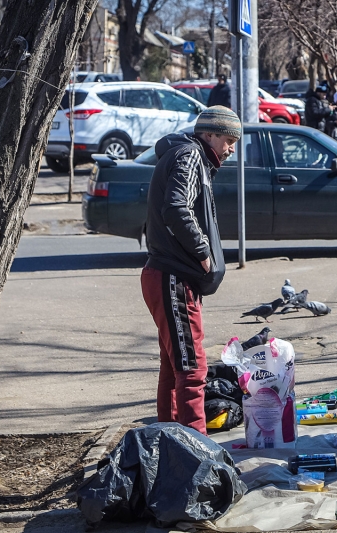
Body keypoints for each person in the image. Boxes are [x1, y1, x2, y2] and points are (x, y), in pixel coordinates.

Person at [141, 106, 240, 436]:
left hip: (166, 275)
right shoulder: (190, 155)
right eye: (228, 140)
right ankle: (196, 450)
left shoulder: (187, 155)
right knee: (191, 368)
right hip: (172, 277)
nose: (230, 149)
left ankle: (170, 441)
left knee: (174, 366)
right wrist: (203, 254)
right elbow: (176, 208)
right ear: (209, 134)